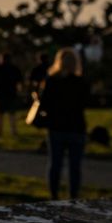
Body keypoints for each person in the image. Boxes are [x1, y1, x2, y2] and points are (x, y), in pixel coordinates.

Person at [40, 48, 87, 199]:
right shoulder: (80, 82)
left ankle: (54, 194)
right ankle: (73, 195)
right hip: (76, 127)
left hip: (56, 126)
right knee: (75, 166)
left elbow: (44, 104)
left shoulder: (52, 81)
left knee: (55, 163)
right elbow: (85, 103)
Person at [0, 54, 24, 137]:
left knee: (0, 115)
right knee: (12, 114)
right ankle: (13, 132)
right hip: (11, 95)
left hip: (0, 95)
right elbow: (19, 83)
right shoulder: (14, 69)